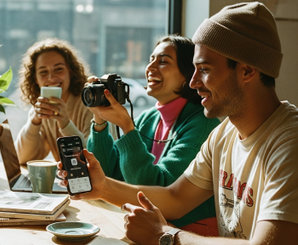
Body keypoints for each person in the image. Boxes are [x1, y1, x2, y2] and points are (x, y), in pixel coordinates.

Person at [59, 2, 298, 244]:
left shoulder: (290, 144)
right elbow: (175, 197)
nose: (193, 83)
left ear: (247, 71)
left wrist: (164, 235)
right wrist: (101, 187)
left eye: (204, 69)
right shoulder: (224, 134)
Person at [86, 35, 220, 234]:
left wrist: (126, 126)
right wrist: (99, 121)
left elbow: (154, 192)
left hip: (188, 233)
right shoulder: (149, 118)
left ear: (187, 75)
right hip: (148, 228)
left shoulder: (201, 124)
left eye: (163, 61)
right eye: (151, 60)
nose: (150, 67)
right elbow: (106, 173)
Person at [16, 38, 93, 163]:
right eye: (43, 72)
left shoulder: (90, 104)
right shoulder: (41, 110)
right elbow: (21, 158)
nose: (51, 78)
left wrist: (65, 123)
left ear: (71, 71)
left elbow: (93, 159)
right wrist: (34, 122)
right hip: (67, 180)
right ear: (35, 79)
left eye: (59, 69)